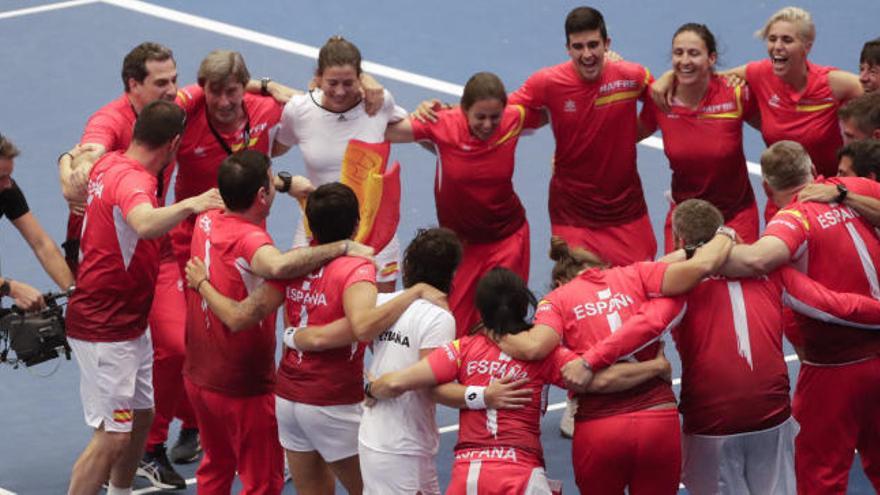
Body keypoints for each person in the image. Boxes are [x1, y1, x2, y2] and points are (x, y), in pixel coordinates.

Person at [576, 198, 880, 495]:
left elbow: (643, 327)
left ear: (680, 239)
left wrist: (589, 361)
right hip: (772, 418)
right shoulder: (773, 274)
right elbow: (837, 306)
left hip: (712, 426)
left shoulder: (678, 289)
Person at [185, 180, 436, 494]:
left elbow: (240, 316)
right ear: (357, 224)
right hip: (334, 401)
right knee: (378, 490)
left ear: (309, 225)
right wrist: (413, 293)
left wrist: (202, 285)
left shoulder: (294, 264)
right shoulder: (356, 268)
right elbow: (362, 326)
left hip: (289, 401)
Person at [181, 155, 374, 494]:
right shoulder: (256, 244)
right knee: (263, 483)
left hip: (199, 375)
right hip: (244, 384)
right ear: (260, 195)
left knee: (216, 466)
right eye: (272, 182)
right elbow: (279, 269)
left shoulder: (207, 216)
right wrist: (344, 246)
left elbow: (235, 179)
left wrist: (286, 185)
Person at [494, 228, 734, 495]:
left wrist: (494, 330)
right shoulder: (637, 273)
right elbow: (700, 268)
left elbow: (536, 347)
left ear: (561, 281)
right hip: (657, 421)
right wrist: (726, 233)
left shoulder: (555, 300)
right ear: (601, 267)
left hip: (600, 431)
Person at [64, 100, 224, 495]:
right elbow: (144, 223)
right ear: (173, 144)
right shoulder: (135, 181)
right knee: (111, 437)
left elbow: (73, 158)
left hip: (128, 322)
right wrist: (191, 203)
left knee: (142, 416)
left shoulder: (109, 162)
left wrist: (67, 162)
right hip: (106, 328)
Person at [723, 141, 880, 494]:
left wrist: (712, 248)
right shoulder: (853, 188)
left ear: (766, 188)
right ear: (812, 169)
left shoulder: (793, 219)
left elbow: (759, 260)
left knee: (818, 475)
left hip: (834, 370)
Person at [368, 268, 586, 495]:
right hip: (522, 476)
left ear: (481, 311)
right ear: (523, 305)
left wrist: (370, 388)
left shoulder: (462, 348)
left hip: (467, 478)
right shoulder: (547, 354)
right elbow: (594, 380)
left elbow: (396, 384)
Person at [385, 71, 543, 336]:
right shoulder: (442, 123)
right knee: (452, 327)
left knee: (502, 325)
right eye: (480, 116)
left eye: (495, 117)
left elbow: (557, 108)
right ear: (464, 109)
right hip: (461, 248)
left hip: (507, 239)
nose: (488, 124)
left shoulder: (514, 120)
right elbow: (387, 131)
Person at [506, 6, 656, 267]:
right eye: (578, 47)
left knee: (640, 287)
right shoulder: (548, 82)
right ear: (567, 48)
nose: (587, 54)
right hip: (573, 213)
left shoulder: (632, 77)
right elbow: (500, 111)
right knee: (578, 293)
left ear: (607, 44)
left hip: (626, 210)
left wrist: (626, 137)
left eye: (593, 45)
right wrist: (454, 114)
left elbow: (661, 103)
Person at [273, 36, 407, 293]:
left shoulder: (379, 103)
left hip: (373, 231)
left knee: (374, 321)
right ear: (318, 78)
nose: (340, 91)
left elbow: (417, 127)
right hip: (316, 226)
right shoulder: (299, 110)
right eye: (332, 83)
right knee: (304, 313)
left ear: (361, 78)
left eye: (349, 83)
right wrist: (266, 84)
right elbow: (268, 149)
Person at [639, 23, 759, 251]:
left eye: (694, 53)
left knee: (742, 282)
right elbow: (621, 138)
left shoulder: (736, 94)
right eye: (678, 53)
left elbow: (773, 129)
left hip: (736, 216)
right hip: (686, 219)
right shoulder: (661, 100)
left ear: (711, 58)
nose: (685, 61)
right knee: (677, 284)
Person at [0, 134, 74, 311]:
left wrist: (75, 293)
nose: (7, 184)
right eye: (1, 177)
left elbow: (41, 243)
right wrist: (11, 288)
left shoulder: (6, 190)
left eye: (8, 176)